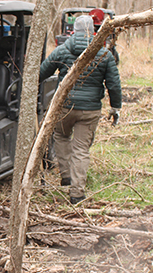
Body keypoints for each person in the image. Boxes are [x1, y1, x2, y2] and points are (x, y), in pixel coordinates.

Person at [39, 15, 122, 205]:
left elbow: (42, 73)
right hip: (90, 110)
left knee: (60, 137)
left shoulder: (61, 51)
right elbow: (114, 85)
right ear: (94, 31)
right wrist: (115, 107)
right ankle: (76, 193)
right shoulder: (104, 54)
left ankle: (66, 176)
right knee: (81, 149)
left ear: (72, 31)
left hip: (64, 107)